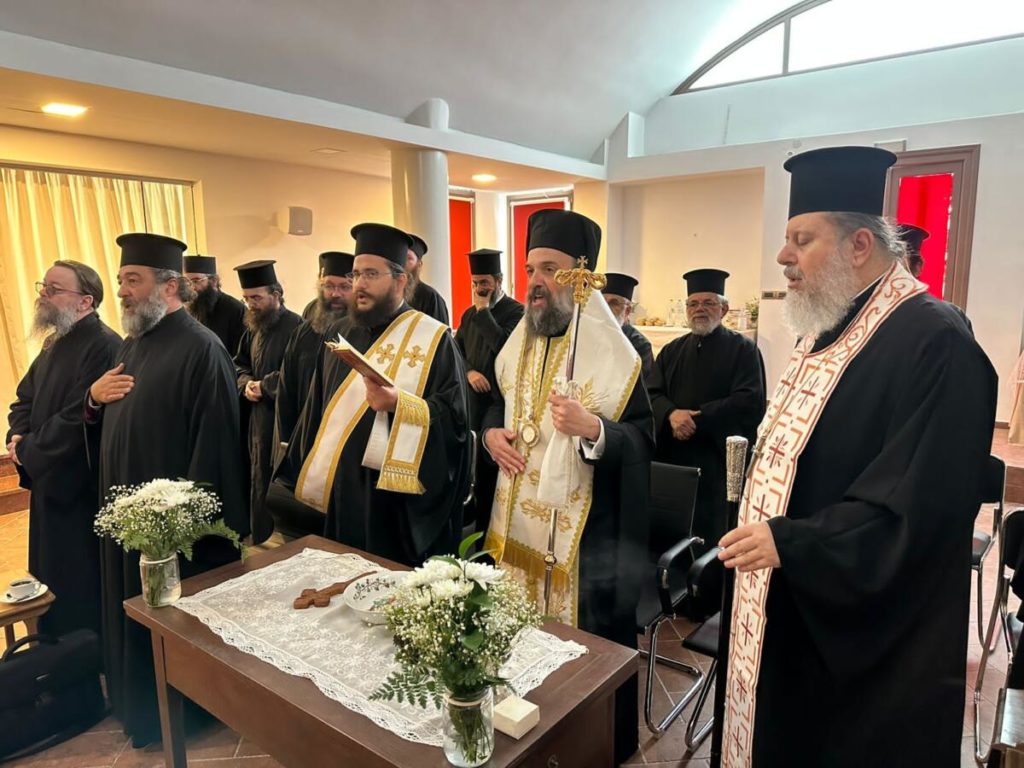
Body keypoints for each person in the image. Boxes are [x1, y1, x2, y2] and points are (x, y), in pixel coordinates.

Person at [717, 146, 997, 767]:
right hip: (788, 601)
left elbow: (920, 509)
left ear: (860, 246)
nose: (783, 256)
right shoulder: (828, 326)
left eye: (802, 240)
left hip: (856, 636)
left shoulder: (936, 341)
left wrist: (794, 541)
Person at [481, 209, 652, 765]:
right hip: (516, 527)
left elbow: (643, 439)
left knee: (582, 662)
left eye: (550, 269)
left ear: (581, 278)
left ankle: (583, 746)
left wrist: (595, 429)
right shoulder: (518, 341)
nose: (535, 282)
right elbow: (494, 402)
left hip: (583, 543)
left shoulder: (616, 355)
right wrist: (490, 434)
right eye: (531, 268)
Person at [87, 232, 248, 747]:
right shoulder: (133, 343)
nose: (122, 291)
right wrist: (92, 400)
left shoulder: (203, 349)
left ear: (170, 286)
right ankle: (136, 705)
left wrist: (182, 528)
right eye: (120, 280)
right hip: (129, 517)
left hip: (172, 534)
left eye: (132, 280)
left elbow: (215, 452)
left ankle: (181, 714)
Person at [278, 223, 470, 565]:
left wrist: (400, 405)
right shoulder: (339, 333)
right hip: (341, 490)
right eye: (356, 274)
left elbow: (455, 419)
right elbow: (317, 408)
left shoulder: (434, 339)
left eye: (371, 274)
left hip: (394, 502)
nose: (360, 284)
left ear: (400, 280)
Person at [6, 261, 120, 636]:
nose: (43, 295)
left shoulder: (104, 345)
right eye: (43, 286)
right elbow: (24, 398)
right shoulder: (54, 341)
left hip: (79, 488)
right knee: (49, 576)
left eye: (54, 289)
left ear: (85, 301)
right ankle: (51, 650)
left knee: (77, 584)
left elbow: (80, 416)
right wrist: (17, 436)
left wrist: (31, 449)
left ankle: (79, 657)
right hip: (47, 480)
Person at [647, 268, 765, 547]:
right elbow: (651, 393)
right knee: (672, 530)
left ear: (723, 309)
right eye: (693, 303)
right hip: (675, 458)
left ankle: (712, 573)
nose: (699, 309)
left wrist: (697, 418)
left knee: (714, 534)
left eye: (708, 303)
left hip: (717, 460)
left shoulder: (744, 350)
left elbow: (750, 400)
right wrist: (671, 414)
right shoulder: (671, 350)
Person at [453, 248, 524, 532]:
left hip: (500, 405)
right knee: (468, 468)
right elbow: (456, 351)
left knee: (490, 476)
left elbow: (504, 347)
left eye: (485, 282)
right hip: (471, 403)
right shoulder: (468, 314)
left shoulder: (517, 312)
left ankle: (490, 536)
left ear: (499, 280)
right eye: (475, 283)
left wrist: (483, 312)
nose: (479, 289)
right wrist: (469, 371)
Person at [233, 260, 302, 544]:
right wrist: (246, 384)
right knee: (257, 479)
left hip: (283, 420)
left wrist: (264, 386)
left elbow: (298, 374)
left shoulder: (297, 327)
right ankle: (260, 540)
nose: (251, 305)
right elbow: (239, 364)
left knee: (276, 483)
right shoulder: (253, 327)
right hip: (257, 419)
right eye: (247, 299)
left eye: (256, 298)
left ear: (276, 294)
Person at [275, 251, 353, 455]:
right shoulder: (304, 333)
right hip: (305, 436)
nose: (335, 293)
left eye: (344, 287)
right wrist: (286, 441)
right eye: (329, 286)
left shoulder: (364, 334)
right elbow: (286, 389)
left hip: (346, 439)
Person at [183, 254, 245, 355]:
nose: (192, 287)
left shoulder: (235, 309)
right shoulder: (190, 308)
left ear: (213, 281)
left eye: (196, 281)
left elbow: (241, 354)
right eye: (187, 282)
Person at [600, 272, 654, 380]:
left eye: (614, 303)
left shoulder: (640, 345)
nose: (606, 308)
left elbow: (642, 384)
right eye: (602, 302)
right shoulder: (589, 333)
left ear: (627, 311)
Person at [405, 233, 450, 325]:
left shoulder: (431, 297)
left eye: (409, 258)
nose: (403, 263)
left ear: (419, 264)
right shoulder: (389, 294)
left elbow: (440, 331)